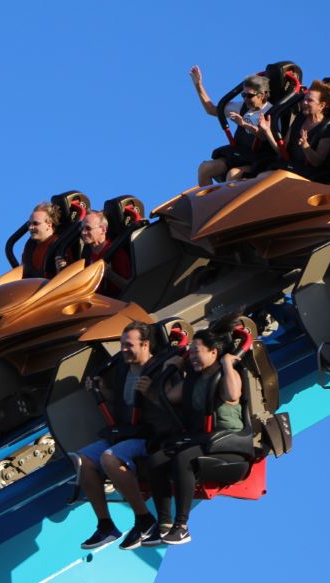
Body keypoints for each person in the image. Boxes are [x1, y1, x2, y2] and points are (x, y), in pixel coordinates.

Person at [73, 321, 178, 550]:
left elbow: (175, 408)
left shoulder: (159, 369)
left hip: (151, 436)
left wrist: (151, 393)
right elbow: (120, 402)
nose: (124, 350)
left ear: (146, 344)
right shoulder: (122, 367)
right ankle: (105, 525)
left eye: (129, 345)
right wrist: (101, 389)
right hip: (125, 432)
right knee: (83, 460)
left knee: (110, 458)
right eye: (122, 345)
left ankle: (144, 519)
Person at [144, 329, 242, 546]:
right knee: (156, 460)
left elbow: (232, 395)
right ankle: (164, 524)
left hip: (229, 442)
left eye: (197, 352)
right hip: (202, 441)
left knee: (183, 458)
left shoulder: (225, 375)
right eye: (191, 352)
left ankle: (182, 526)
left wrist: (227, 364)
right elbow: (167, 398)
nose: (193, 357)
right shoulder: (194, 380)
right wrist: (171, 369)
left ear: (214, 352)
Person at [190, 67, 273, 186]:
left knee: (233, 174)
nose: (246, 99)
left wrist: (244, 124)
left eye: (249, 96)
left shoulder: (270, 111)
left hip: (258, 158)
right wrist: (198, 85)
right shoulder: (242, 107)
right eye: (243, 95)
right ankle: (211, 203)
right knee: (205, 168)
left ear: (262, 95)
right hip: (241, 153)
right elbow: (212, 110)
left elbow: (264, 135)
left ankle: (231, 203)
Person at [259, 80, 330, 183]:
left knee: (264, 179)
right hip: (290, 169)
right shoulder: (300, 119)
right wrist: (267, 131)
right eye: (304, 99)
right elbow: (282, 151)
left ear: (322, 105)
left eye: (310, 100)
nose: (304, 103)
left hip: (307, 177)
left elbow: (317, 162)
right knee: (260, 177)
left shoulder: (327, 129)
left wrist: (306, 146)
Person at [76, 211, 132, 297]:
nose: (83, 232)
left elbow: (130, 287)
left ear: (103, 229)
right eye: (82, 228)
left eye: (88, 228)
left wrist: (110, 274)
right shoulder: (86, 253)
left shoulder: (116, 253)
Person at [21, 201, 64, 279]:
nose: (31, 228)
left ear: (49, 224)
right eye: (29, 224)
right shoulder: (30, 245)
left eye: (35, 224)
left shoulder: (60, 244)